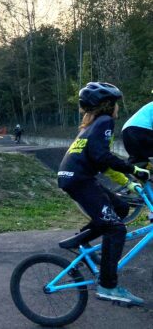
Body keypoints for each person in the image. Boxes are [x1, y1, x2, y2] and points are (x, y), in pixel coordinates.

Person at [57, 82, 150, 306]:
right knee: (116, 229)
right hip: (79, 180)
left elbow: (104, 162)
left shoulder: (94, 125)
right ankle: (108, 286)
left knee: (120, 208)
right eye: (116, 103)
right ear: (108, 105)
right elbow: (101, 157)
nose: (118, 108)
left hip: (76, 177)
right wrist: (133, 169)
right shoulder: (105, 122)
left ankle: (79, 241)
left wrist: (129, 184)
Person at [121, 91, 153, 167]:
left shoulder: (149, 106)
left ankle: (134, 174)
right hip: (140, 130)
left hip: (126, 131)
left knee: (138, 160)